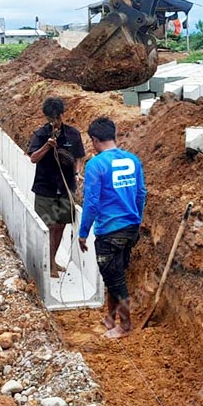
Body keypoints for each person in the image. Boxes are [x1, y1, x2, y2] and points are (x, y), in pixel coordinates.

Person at [78, 117, 146, 339]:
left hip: (109, 231)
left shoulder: (95, 165)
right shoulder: (133, 160)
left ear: (95, 140)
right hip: (130, 228)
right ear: (114, 135)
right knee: (115, 274)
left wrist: (83, 233)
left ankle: (125, 326)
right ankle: (110, 317)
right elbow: (141, 194)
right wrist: (136, 219)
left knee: (115, 280)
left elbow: (91, 202)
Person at [28, 97, 85, 279]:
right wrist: (47, 146)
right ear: (46, 118)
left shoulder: (73, 134)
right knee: (48, 225)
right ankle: (48, 263)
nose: (55, 122)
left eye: (57, 118)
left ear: (62, 115)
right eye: (51, 119)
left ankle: (52, 260)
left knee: (60, 225)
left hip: (66, 188)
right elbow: (33, 158)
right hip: (46, 188)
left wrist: (77, 173)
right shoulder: (41, 135)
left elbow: (79, 157)